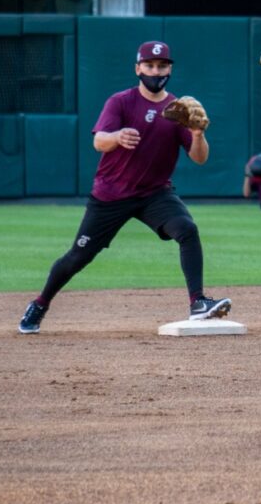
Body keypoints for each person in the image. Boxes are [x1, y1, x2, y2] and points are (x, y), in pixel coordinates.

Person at [18, 41, 231, 334]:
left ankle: (198, 303)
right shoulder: (120, 101)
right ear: (138, 68)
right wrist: (117, 136)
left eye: (162, 66)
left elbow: (200, 158)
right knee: (78, 257)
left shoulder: (178, 109)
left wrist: (197, 134)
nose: (156, 71)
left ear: (170, 69)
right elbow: (98, 141)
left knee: (187, 229)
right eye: (150, 65)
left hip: (155, 193)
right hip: (111, 194)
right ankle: (40, 303)